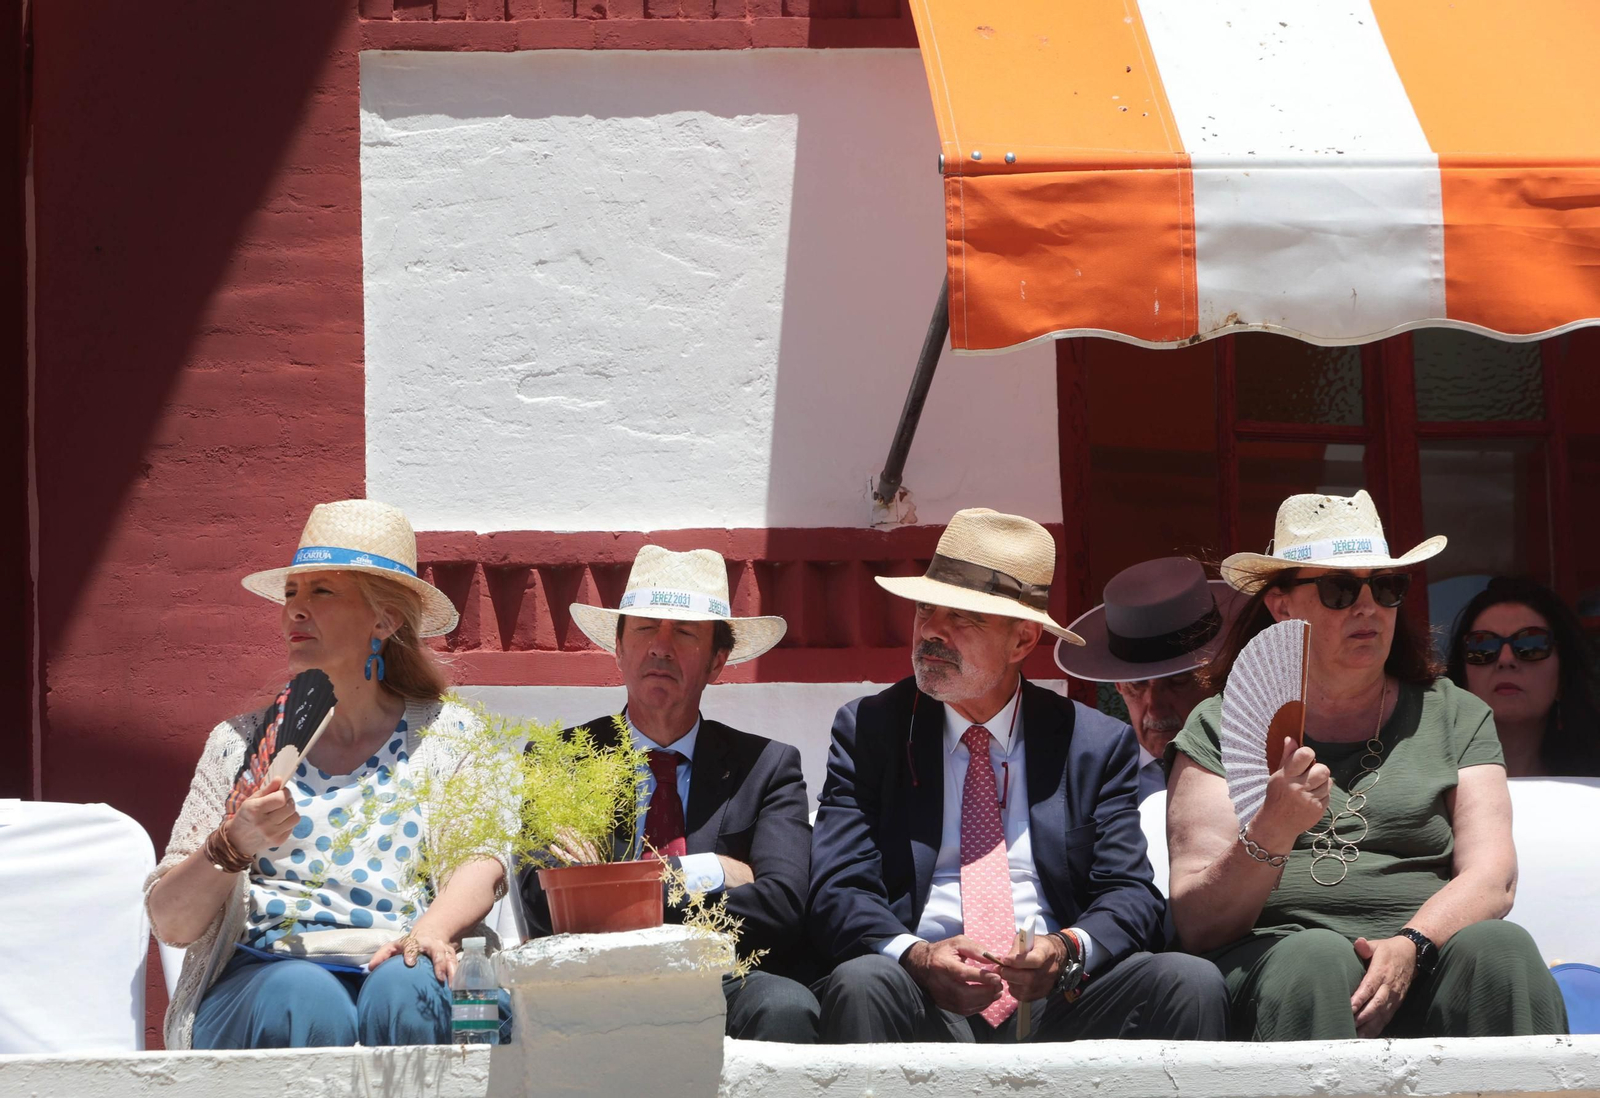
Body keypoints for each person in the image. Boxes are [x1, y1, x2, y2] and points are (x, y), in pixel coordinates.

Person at [809, 508, 1227, 1044]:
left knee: (1188, 982)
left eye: (963, 618)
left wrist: (1064, 949)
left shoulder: (1093, 743)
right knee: (864, 981)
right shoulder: (872, 729)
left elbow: (1129, 893)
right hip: (919, 991)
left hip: (1060, 998)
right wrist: (917, 956)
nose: (931, 631)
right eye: (925, 609)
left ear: (1023, 641)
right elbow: (838, 887)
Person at [1166, 490, 1568, 1041]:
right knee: (1315, 960)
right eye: (1339, 589)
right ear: (1281, 606)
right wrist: (1272, 829)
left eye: (1386, 587)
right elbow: (1199, 923)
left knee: (1503, 949)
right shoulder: (1219, 724)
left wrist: (1412, 943)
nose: (1368, 607)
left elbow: (1493, 877)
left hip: (1427, 955)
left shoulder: (1454, 713)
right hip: (1281, 965)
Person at [146, 500, 513, 1050]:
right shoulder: (238, 745)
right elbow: (171, 924)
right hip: (265, 972)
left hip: (411, 949)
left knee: (408, 990)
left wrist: (429, 933)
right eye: (291, 593)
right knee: (303, 999)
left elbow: (481, 861)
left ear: (384, 620)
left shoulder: (450, 735)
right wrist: (234, 843)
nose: (295, 610)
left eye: (321, 592)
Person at [516, 545, 820, 1043]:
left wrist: (611, 888)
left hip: (726, 977)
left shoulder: (766, 766)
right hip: (595, 979)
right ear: (618, 649)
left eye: (684, 632)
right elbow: (541, 899)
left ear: (717, 662)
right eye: (644, 628)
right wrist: (711, 871)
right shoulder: (561, 760)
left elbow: (782, 907)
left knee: (787, 1005)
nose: (660, 647)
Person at [1054, 557, 1243, 802]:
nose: (1155, 708)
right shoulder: (1085, 786)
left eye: (1178, 681)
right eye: (1137, 685)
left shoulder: (1258, 768)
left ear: (1218, 678)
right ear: (1119, 686)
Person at [1447, 576, 1600, 778]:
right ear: (1463, 675)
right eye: (1483, 646)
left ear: (1563, 676)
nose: (1506, 659)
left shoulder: (1591, 782)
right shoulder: (1426, 785)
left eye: (1531, 644)